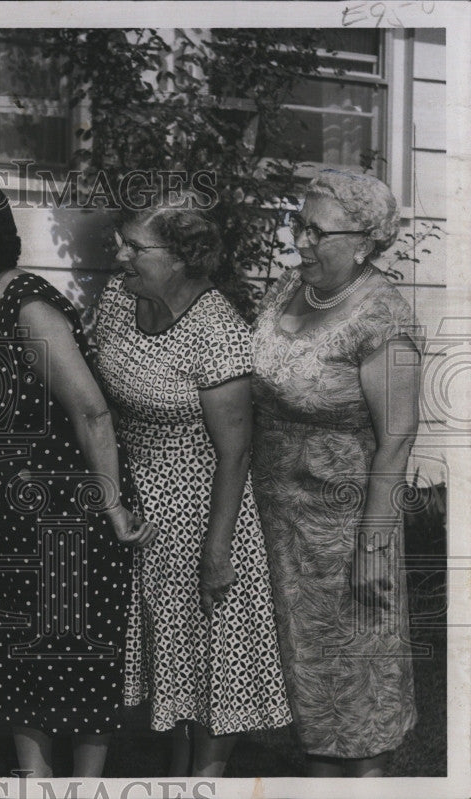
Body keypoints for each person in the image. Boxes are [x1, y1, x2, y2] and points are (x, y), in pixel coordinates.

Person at [0, 168, 156, 778]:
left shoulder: (28, 305)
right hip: (17, 513)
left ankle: (86, 785)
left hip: (74, 508)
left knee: (79, 655)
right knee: (23, 655)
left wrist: (112, 502)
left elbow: (90, 409)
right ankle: (33, 781)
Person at [93, 197, 292, 777]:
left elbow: (235, 453)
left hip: (203, 507)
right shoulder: (116, 300)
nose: (120, 253)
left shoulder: (219, 332)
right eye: (121, 241)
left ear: (181, 258)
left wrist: (218, 548)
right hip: (136, 503)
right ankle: (176, 777)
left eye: (135, 247)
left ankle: (207, 781)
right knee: (171, 663)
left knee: (209, 658)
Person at [252, 169, 421, 777]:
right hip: (276, 521)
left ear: (365, 241)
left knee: (357, 686)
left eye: (316, 231)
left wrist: (375, 544)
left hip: (345, 532)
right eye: (299, 223)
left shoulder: (383, 317)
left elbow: (397, 437)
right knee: (307, 689)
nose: (299, 240)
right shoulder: (286, 289)